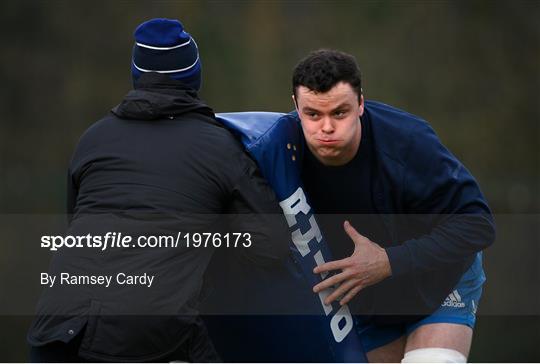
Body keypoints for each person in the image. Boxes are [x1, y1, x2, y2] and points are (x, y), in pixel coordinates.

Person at [27, 18, 288, 362]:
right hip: (146, 334)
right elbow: (272, 246)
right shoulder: (221, 148)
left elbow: (75, 224)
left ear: (137, 74)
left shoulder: (92, 139)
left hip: (54, 326)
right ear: (194, 76)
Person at [291, 49, 495, 362]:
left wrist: (388, 261)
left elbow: (478, 225)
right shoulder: (282, 149)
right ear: (296, 107)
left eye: (340, 113)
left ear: (360, 103)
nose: (327, 127)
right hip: (363, 298)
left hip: (440, 283)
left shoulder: (409, 143)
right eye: (313, 115)